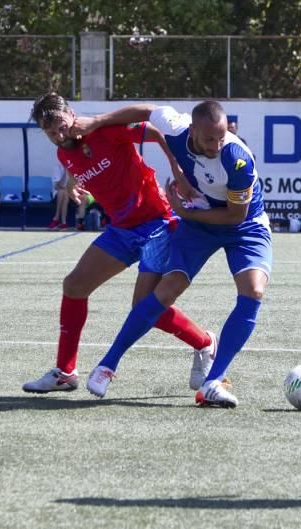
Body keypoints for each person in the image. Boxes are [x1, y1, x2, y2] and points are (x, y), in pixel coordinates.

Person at [72, 100, 271, 408]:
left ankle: (213, 381)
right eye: (209, 139)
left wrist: (181, 211)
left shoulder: (237, 159)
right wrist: (97, 121)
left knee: (254, 290)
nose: (216, 144)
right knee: (166, 291)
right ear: (192, 131)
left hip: (244, 225)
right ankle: (107, 365)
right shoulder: (175, 127)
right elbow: (143, 110)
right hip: (199, 223)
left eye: (222, 137)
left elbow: (234, 216)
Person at [22, 93, 217, 394]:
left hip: (157, 224)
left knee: (144, 307)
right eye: (51, 133)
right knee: (74, 286)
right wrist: (75, 184)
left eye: (61, 126)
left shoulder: (105, 130)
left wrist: (177, 170)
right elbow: (77, 162)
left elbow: (154, 132)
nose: (59, 135)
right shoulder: (64, 153)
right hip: (122, 229)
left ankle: (205, 343)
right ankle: (65, 372)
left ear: (71, 114)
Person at [48, 161, 70, 230]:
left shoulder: (73, 167)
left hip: (70, 193)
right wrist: (65, 173)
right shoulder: (57, 167)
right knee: (62, 192)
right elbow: (57, 186)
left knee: (65, 192)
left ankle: (56, 219)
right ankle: (63, 222)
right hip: (57, 194)